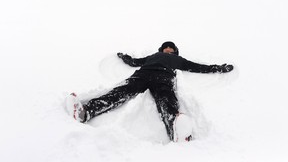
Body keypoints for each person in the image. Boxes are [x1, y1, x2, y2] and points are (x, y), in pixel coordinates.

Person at [67, 41, 233, 142]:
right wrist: (124, 57)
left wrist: (218, 68)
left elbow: (197, 67)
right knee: (121, 91)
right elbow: (134, 62)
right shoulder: (153, 56)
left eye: (171, 48)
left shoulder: (177, 60)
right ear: (161, 49)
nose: (168, 49)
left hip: (164, 78)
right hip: (142, 75)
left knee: (166, 100)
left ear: (174, 52)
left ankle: (176, 129)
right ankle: (87, 111)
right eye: (166, 47)